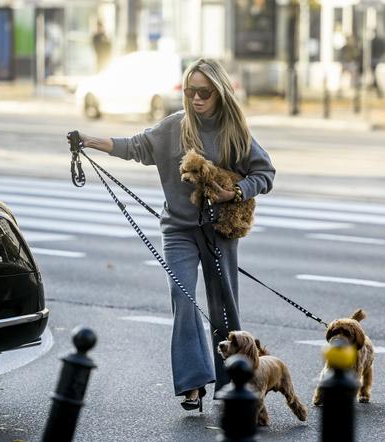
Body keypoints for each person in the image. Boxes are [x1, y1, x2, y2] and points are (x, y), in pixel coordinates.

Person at [70, 58, 275, 411]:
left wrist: (236, 193)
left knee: (222, 304)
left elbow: (265, 173)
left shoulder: (235, 133)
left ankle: (234, 382)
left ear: (219, 93)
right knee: (183, 298)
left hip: (219, 230)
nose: (196, 98)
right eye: (190, 91)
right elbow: (134, 146)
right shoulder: (175, 127)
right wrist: (88, 140)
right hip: (178, 229)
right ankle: (193, 383)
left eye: (204, 92)